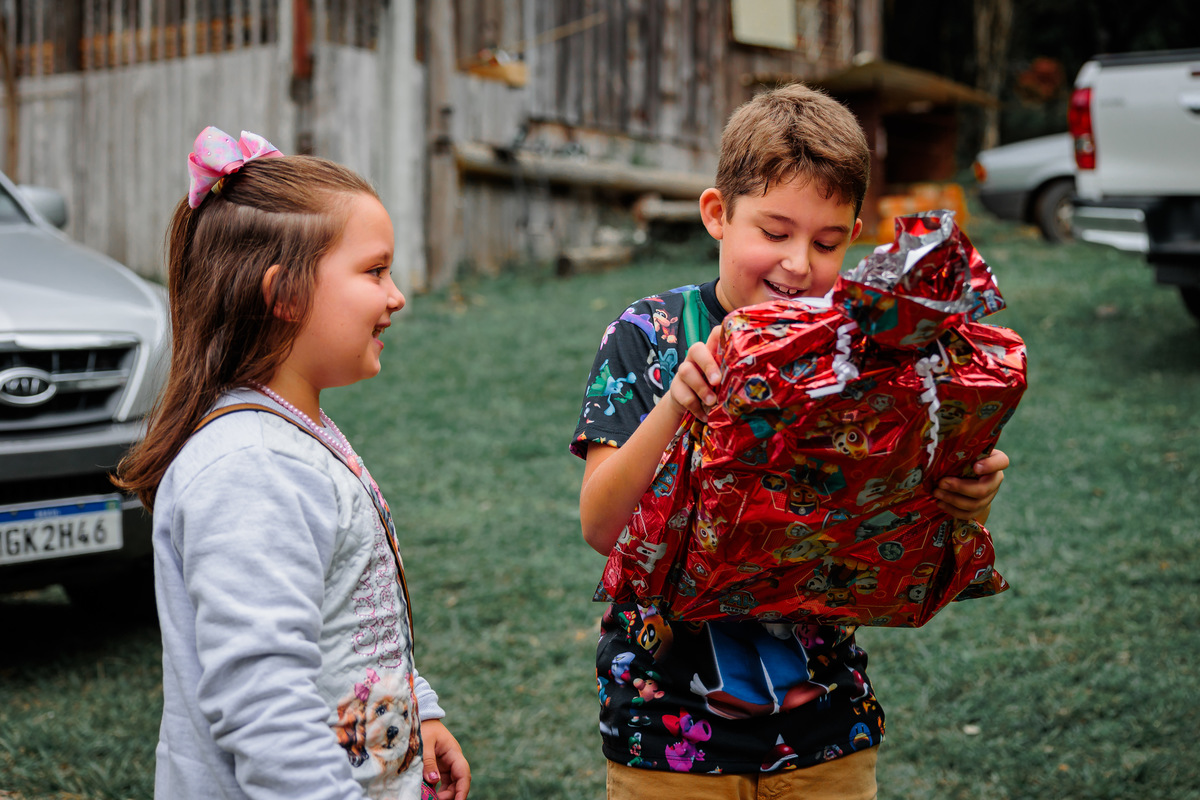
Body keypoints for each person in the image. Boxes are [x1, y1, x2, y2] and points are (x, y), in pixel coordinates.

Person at [571, 83, 1010, 799]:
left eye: (827, 242)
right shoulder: (647, 336)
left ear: (853, 236)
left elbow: (887, 530)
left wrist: (964, 496)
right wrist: (677, 404)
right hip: (666, 738)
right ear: (718, 214)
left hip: (825, 734)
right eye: (774, 233)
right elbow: (601, 528)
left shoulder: (865, 353)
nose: (799, 264)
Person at [116, 127, 470, 800]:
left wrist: (416, 715)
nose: (396, 296)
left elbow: (350, 625)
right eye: (374, 271)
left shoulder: (292, 432)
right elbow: (265, 705)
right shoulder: (251, 467)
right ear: (285, 294)